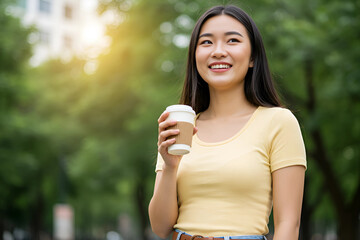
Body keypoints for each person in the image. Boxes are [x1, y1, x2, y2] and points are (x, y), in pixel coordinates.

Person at [149, 5, 306, 240]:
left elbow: (288, 225)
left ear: (253, 57)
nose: (218, 51)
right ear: (195, 57)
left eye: (232, 40)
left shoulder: (279, 122)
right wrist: (170, 166)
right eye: (206, 42)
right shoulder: (180, 126)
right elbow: (161, 227)